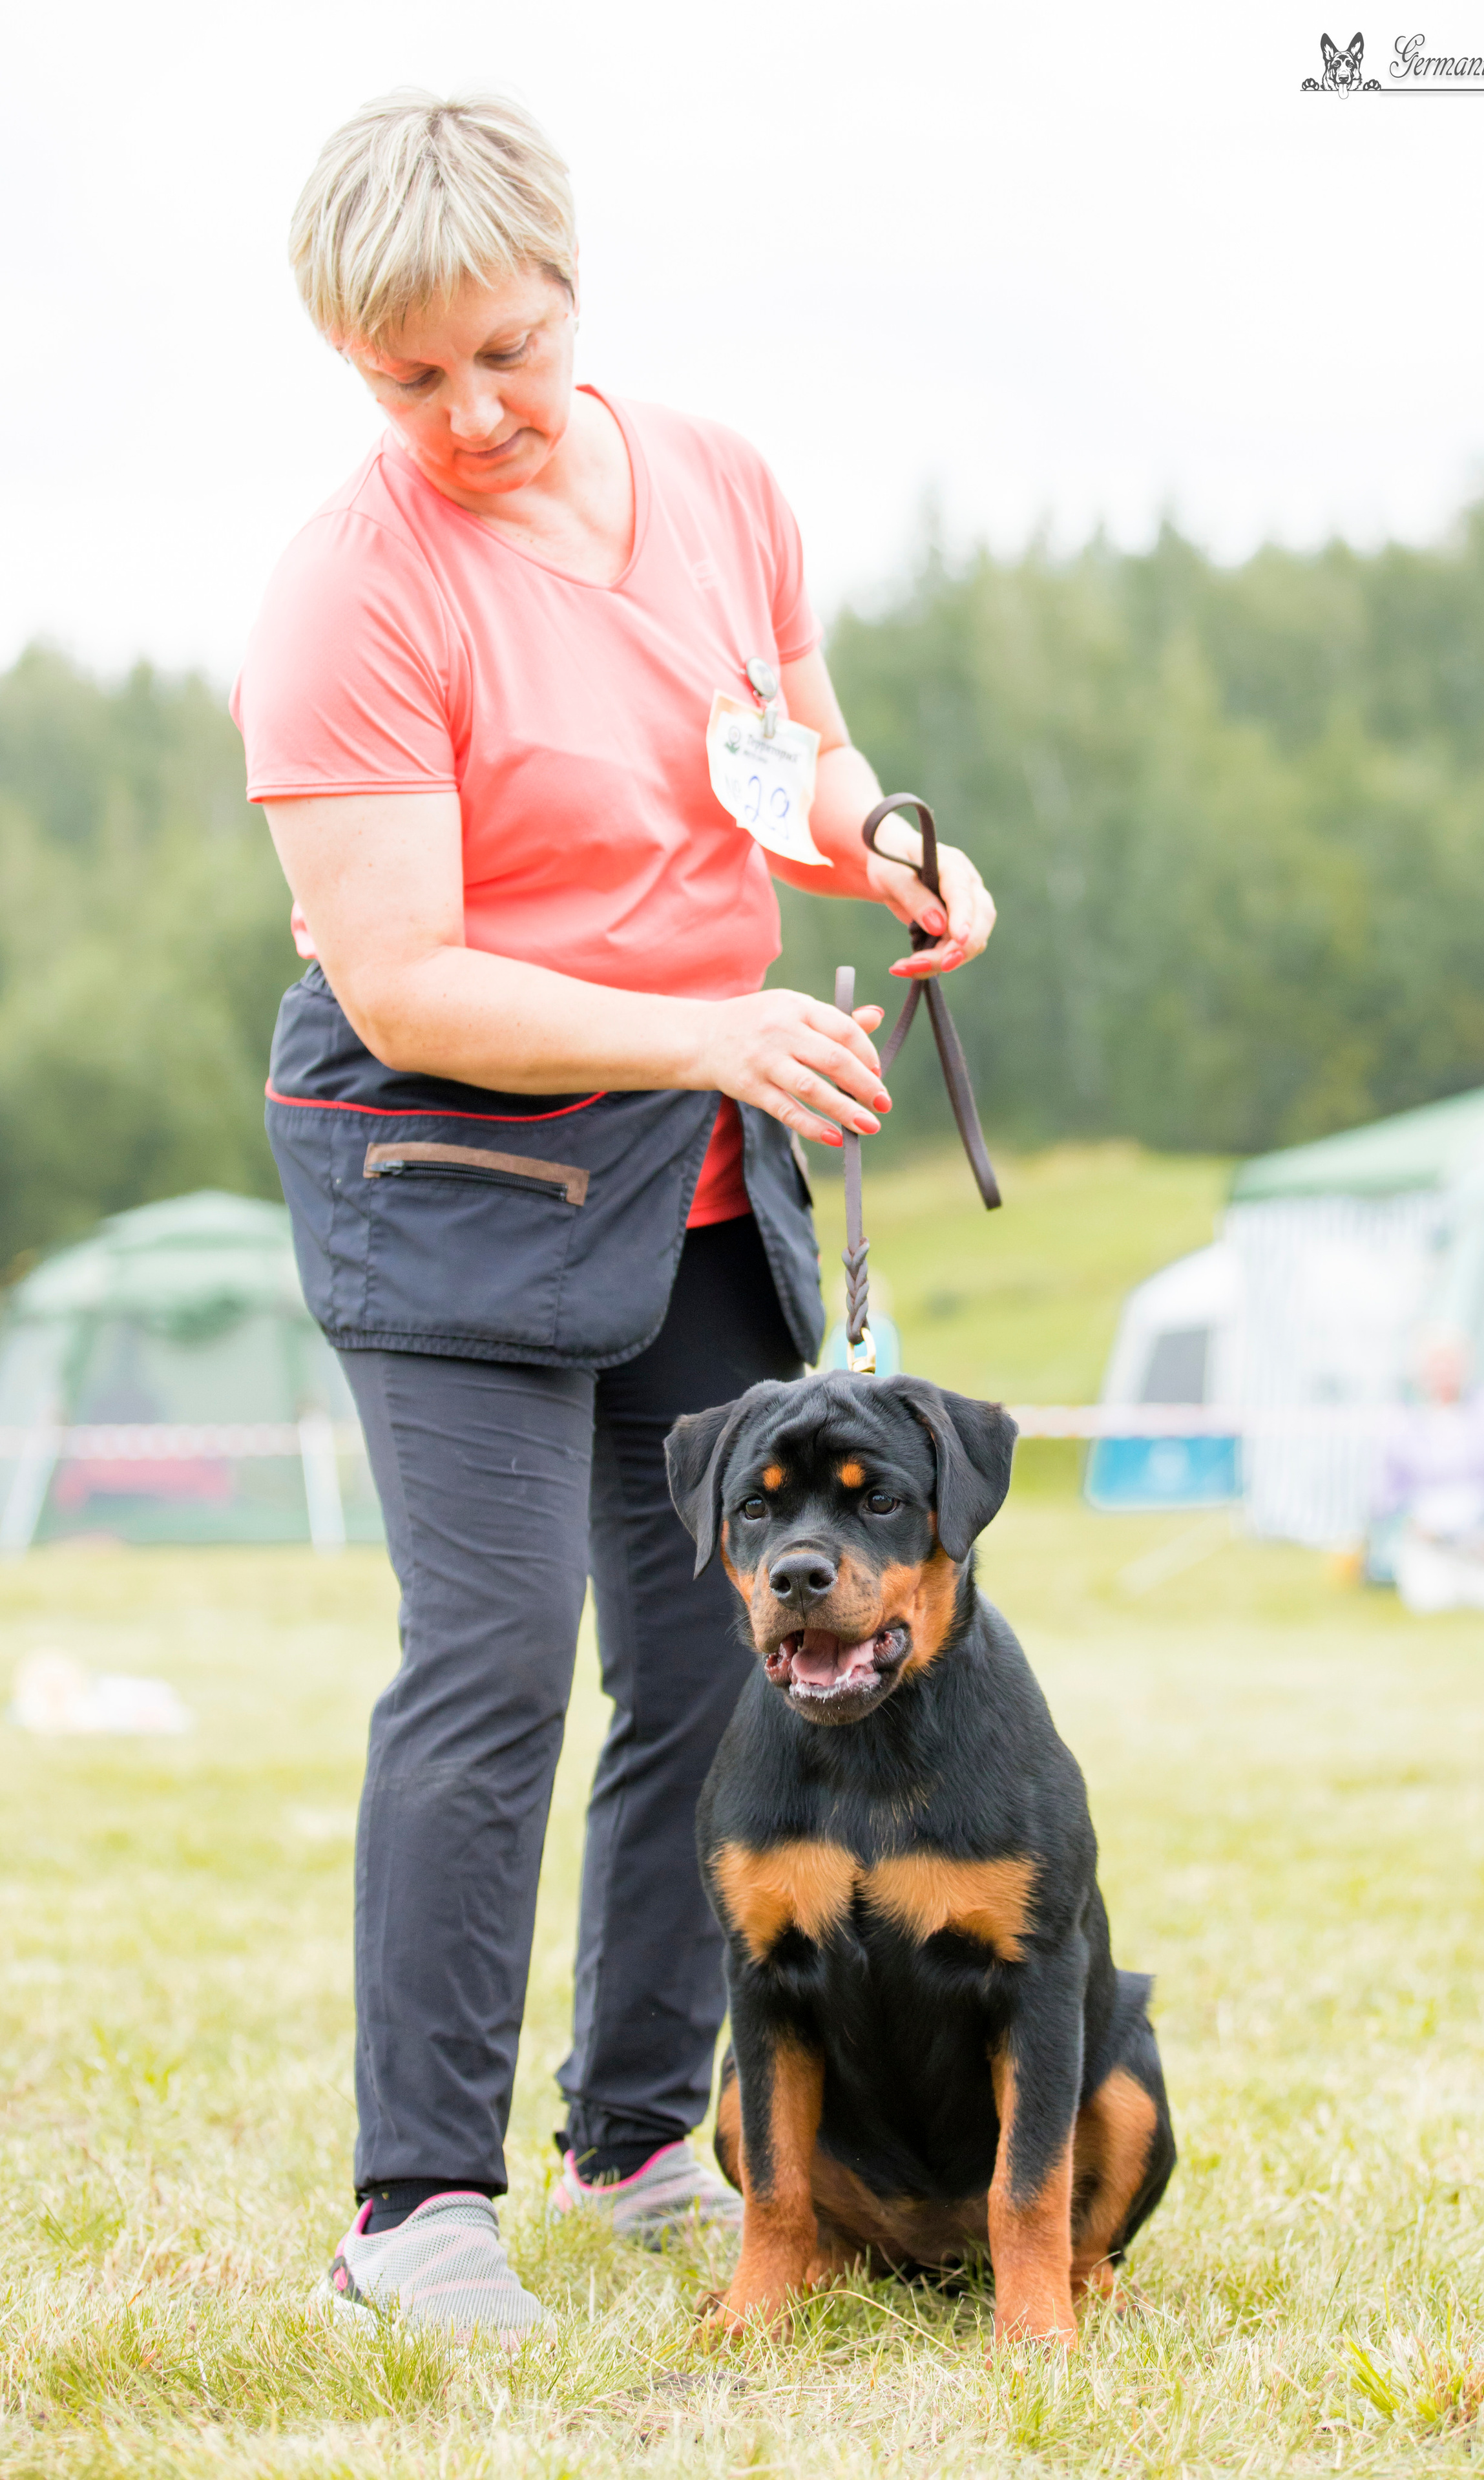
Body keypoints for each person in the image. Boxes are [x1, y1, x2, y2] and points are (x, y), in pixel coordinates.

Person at [232, 90, 997, 2331]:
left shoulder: (725, 484)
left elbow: (806, 752)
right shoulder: (348, 591)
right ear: (353, 367)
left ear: (573, 287)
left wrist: (896, 852)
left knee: (721, 1657)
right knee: (485, 1667)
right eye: (409, 379)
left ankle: (643, 2131)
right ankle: (415, 2211)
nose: (470, 411)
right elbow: (410, 975)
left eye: (508, 351)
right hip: (449, 1161)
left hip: (686, 1147)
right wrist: (707, 1030)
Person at [1370, 1327, 1484, 1614]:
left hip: (1483, 1535)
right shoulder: (1401, 1422)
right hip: (1428, 1539)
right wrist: (1412, 1520)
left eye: (1451, 1361)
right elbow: (1387, 1495)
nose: (1443, 1371)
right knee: (1432, 1601)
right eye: (1435, 1362)